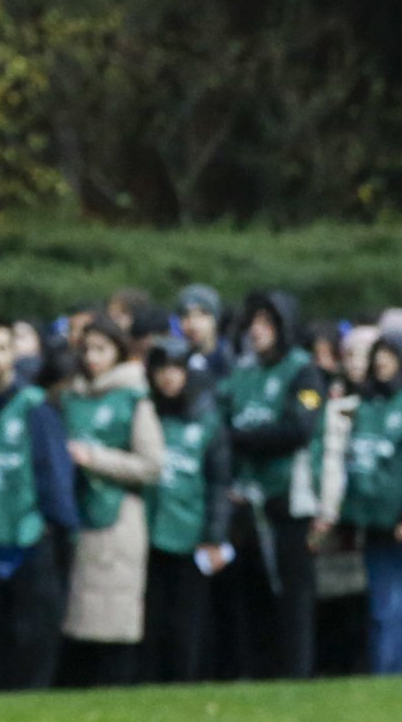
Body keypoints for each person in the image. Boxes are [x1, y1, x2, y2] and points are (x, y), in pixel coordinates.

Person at [216, 293, 325, 678]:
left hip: (288, 498)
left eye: (267, 322)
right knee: (251, 592)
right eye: (253, 322)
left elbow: (299, 429)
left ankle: (294, 671)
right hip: (246, 498)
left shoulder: (303, 372)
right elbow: (219, 428)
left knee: (293, 593)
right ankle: (257, 671)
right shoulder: (240, 374)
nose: (257, 330)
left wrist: (243, 438)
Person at [0, 327, 75, 693]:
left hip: (29, 540)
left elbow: (53, 470)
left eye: (1, 348)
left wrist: (52, 525)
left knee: (32, 639)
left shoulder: (34, 406)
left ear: (14, 354)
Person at [54, 317, 162, 687]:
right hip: (79, 514)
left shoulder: (133, 397)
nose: (93, 357)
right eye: (87, 349)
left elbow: (152, 464)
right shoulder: (71, 397)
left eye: (101, 349)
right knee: (80, 613)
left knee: (115, 614)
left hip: (119, 515)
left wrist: (95, 458)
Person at [341, 324, 402, 676]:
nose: (381, 362)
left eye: (389, 355)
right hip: (374, 517)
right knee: (382, 606)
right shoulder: (366, 401)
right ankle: (384, 670)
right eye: (377, 355)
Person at [138, 336, 231, 684]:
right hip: (149, 528)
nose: (169, 378)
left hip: (190, 531)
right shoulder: (145, 414)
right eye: (162, 369)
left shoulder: (206, 421)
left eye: (176, 369)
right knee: (152, 615)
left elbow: (219, 483)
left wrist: (215, 536)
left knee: (186, 619)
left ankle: (185, 682)